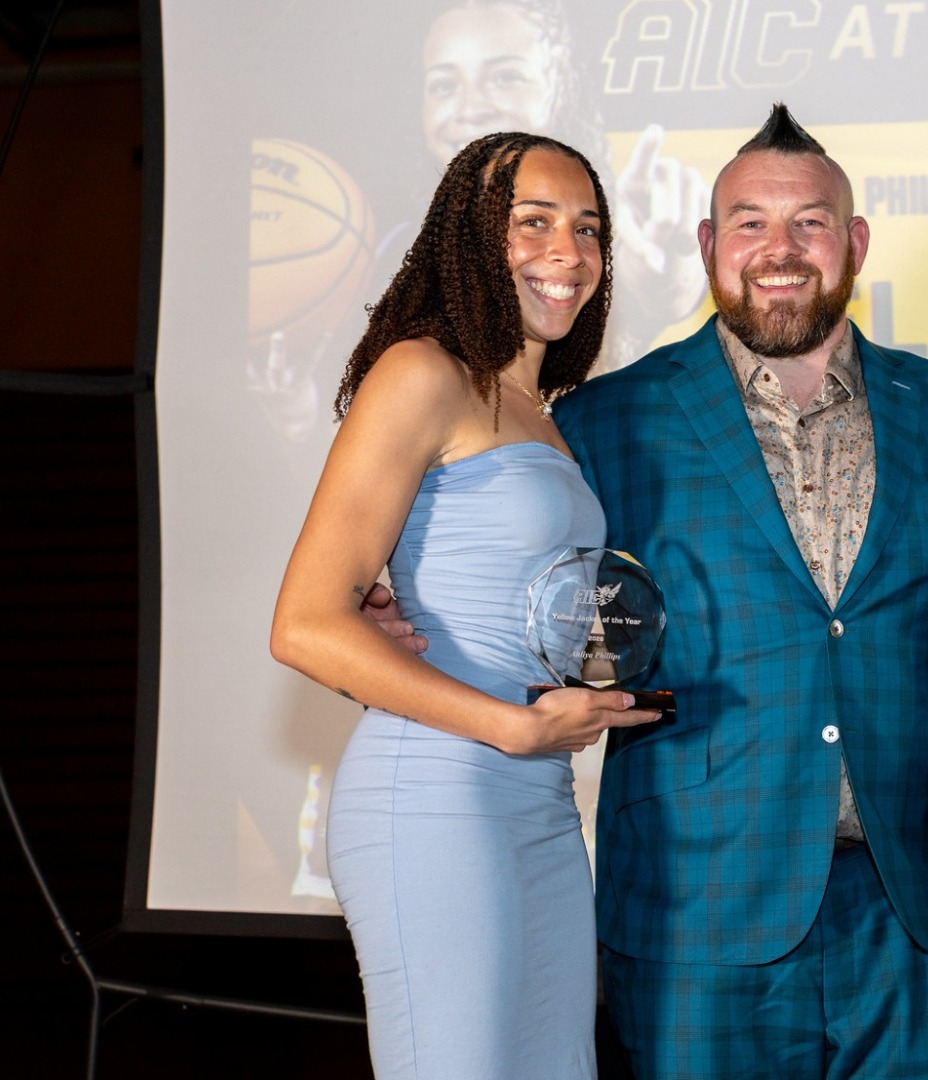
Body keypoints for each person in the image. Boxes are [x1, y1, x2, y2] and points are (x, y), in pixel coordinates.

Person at [556, 104, 928, 1078]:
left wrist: (899, 717)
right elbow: (554, 625)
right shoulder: (605, 421)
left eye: (810, 221)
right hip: (696, 920)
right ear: (711, 244)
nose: (782, 248)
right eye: (752, 222)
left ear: (854, 243)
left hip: (916, 917)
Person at [269, 131, 660, 1079]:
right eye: (534, 223)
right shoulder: (422, 371)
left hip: (535, 802)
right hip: (436, 795)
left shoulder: (544, 413)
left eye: (588, 229)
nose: (569, 253)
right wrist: (507, 725)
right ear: (472, 237)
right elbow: (304, 623)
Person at [411, 0, 707, 371]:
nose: (471, 106)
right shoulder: (420, 367)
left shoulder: (545, 389)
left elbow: (657, 287)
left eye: (505, 77)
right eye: (444, 84)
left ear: (560, 87)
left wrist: (663, 279)